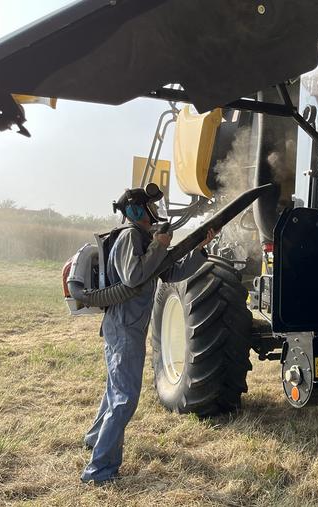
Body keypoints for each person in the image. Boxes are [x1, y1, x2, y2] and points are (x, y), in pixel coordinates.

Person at [81, 184, 216, 484]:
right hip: (124, 327)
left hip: (127, 326)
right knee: (124, 398)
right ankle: (99, 471)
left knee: (115, 390)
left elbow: (171, 273)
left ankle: (93, 439)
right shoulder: (131, 236)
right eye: (151, 206)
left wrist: (199, 251)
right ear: (136, 210)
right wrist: (160, 244)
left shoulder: (142, 238)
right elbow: (134, 277)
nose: (156, 211)